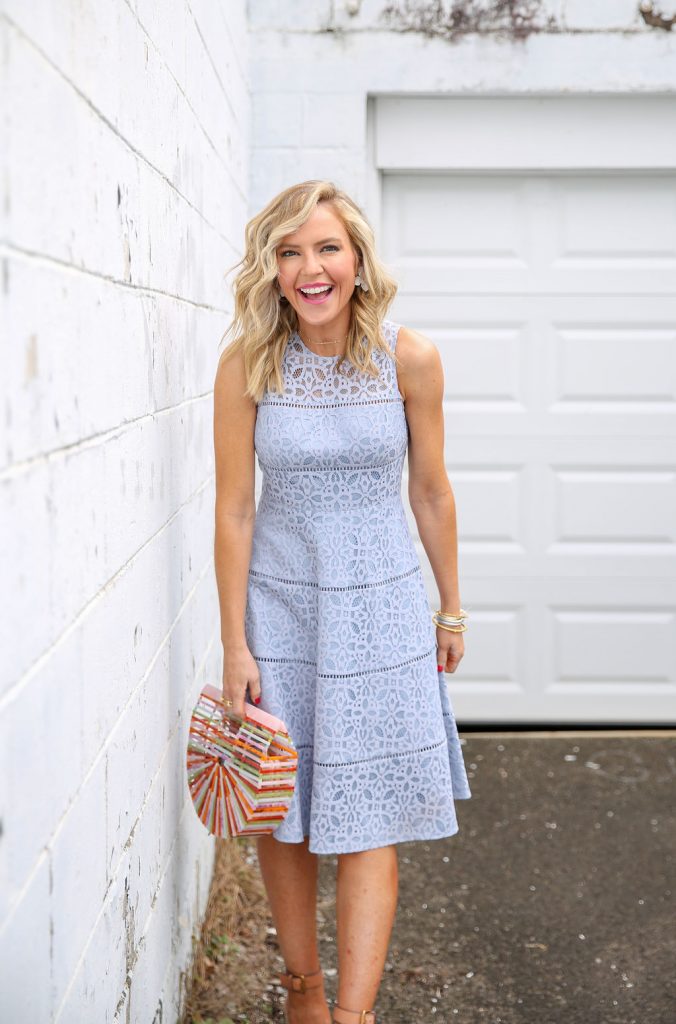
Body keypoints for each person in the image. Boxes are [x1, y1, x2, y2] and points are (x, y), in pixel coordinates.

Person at [213, 180, 472, 1024]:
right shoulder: (247, 364)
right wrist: (234, 644)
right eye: (289, 252)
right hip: (282, 613)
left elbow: (431, 491)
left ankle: (354, 1017)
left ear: (357, 259)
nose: (309, 268)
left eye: (326, 247)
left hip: (383, 615)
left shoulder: (410, 358)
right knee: (280, 808)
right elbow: (234, 509)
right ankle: (304, 993)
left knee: (370, 812)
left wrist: (451, 607)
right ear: (271, 268)